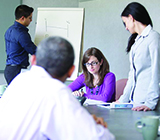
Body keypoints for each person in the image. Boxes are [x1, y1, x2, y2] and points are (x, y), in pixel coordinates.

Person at [0, 37, 115, 140]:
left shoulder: (19, 81)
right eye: (88, 64)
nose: (91, 66)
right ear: (71, 71)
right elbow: (100, 138)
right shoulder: (58, 93)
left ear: (33, 60)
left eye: (93, 63)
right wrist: (94, 125)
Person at [116, 2, 160, 111]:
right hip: (136, 102)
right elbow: (132, 75)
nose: (126, 28)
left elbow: (157, 72)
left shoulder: (154, 38)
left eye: (125, 22)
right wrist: (123, 100)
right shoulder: (136, 43)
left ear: (131, 18)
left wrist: (150, 103)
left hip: (149, 104)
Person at [4, 5, 37, 85]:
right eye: (29, 18)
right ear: (22, 18)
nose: (31, 20)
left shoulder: (9, 30)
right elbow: (33, 50)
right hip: (17, 70)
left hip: (9, 69)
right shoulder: (21, 34)